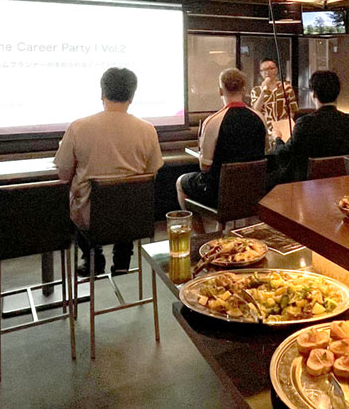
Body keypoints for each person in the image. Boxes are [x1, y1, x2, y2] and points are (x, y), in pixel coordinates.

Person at [54, 68, 163, 277]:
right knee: (127, 203)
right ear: (132, 96)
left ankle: (92, 257)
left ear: (102, 93)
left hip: (90, 218)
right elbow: (151, 175)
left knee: (72, 202)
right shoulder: (147, 129)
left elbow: (64, 175)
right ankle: (122, 261)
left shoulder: (78, 127)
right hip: (132, 218)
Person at [177, 68, 267, 210]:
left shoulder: (213, 122)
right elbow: (264, 152)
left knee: (180, 182)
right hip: (252, 191)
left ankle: (201, 225)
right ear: (244, 90)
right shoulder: (260, 118)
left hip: (219, 193)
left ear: (220, 91)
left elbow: (205, 167)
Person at [270, 71, 349, 186]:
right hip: (340, 181)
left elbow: (285, 153)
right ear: (337, 93)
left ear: (314, 94)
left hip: (306, 184)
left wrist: (277, 138)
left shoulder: (305, 122)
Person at [250, 57, 297, 138]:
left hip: (284, 129)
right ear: (260, 73)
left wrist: (286, 126)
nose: (267, 72)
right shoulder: (256, 90)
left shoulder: (286, 87)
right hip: (264, 129)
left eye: (271, 68)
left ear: (276, 70)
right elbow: (255, 110)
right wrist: (263, 91)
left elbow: (293, 109)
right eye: (264, 70)